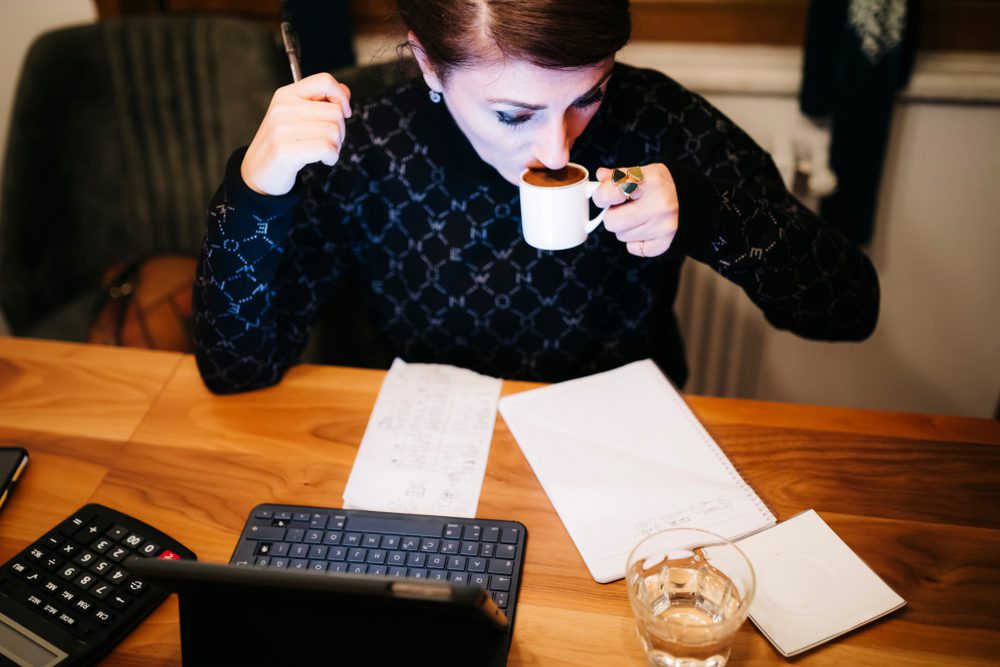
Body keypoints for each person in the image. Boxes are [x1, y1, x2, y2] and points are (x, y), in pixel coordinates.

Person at [193, 0, 879, 394]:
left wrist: (704, 211)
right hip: (430, 461)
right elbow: (235, 368)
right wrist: (257, 187)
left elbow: (849, 308)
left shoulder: (658, 120)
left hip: (623, 450)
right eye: (515, 114)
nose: (558, 152)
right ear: (429, 62)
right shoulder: (366, 145)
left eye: (589, 96)